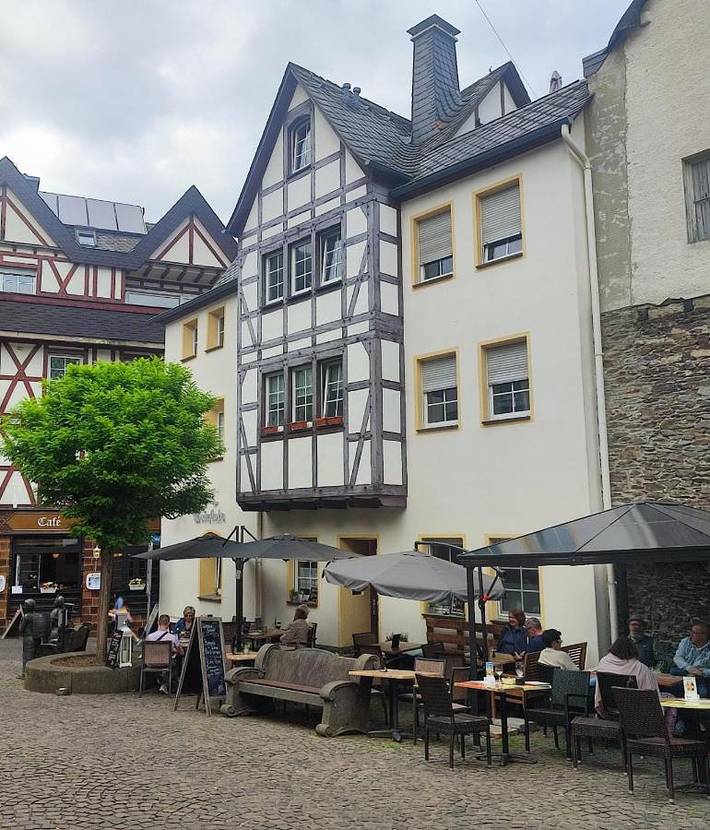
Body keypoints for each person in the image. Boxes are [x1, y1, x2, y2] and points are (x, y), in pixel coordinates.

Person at [594, 636, 659, 713]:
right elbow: (651, 696)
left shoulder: (603, 663)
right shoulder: (640, 668)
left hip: (609, 709)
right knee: (670, 698)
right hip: (636, 712)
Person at [670, 622, 710, 698]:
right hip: (684, 673)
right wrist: (689, 668)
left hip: (701, 678)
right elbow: (678, 657)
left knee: (703, 692)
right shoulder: (685, 641)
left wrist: (702, 672)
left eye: (694, 633)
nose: (691, 635)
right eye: (691, 631)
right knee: (673, 673)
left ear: (704, 636)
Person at [146, 614, 180, 694]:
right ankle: (165, 684)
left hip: (151, 663)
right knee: (175, 663)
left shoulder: (150, 636)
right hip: (166, 663)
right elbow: (180, 651)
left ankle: (160, 680)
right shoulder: (172, 637)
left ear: (158, 623)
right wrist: (174, 650)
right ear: (168, 624)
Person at [19, 598, 43, 679]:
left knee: (27, 657)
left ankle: (25, 674)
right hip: (37, 638)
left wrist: (21, 621)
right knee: (35, 656)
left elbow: (21, 629)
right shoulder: (38, 615)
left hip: (28, 639)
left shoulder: (26, 617)